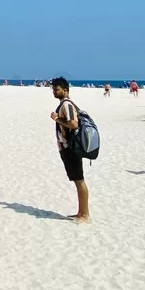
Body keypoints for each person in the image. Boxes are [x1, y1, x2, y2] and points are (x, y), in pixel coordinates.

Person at [50, 77, 90, 223]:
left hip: (71, 147)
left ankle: (85, 215)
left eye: (57, 89)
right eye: (53, 89)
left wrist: (56, 119)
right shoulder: (64, 104)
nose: (54, 91)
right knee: (77, 180)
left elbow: (73, 124)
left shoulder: (66, 105)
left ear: (65, 90)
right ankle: (80, 212)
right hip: (68, 147)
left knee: (79, 180)